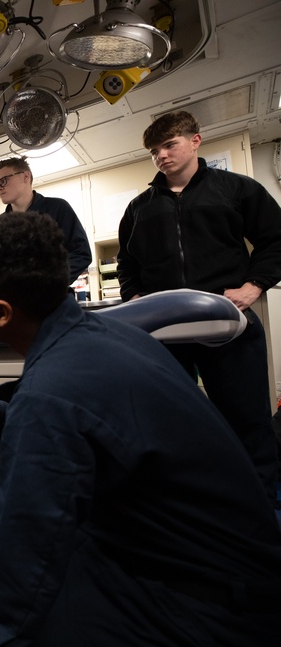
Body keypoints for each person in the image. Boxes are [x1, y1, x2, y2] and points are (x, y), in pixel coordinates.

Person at [0, 211, 281, 647]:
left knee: (30, 632)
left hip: (211, 614)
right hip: (236, 568)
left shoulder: (51, 395)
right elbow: (99, 422)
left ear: (1, 313)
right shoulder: (109, 336)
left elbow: (21, 561)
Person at [118, 110, 281, 502]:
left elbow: (275, 240)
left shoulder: (235, 189)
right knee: (171, 418)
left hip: (226, 322)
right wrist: (135, 298)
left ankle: (258, 500)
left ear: (195, 141)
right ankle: (187, 499)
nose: (161, 155)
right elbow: (127, 263)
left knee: (246, 415)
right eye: (154, 151)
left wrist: (253, 285)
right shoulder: (140, 207)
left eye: (169, 144)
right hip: (165, 332)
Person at [0, 156, 91, 283]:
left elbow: (80, 254)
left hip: (53, 297)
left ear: (26, 176)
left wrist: (49, 282)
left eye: (3, 181)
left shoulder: (58, 208)